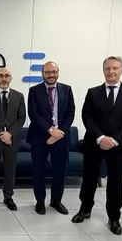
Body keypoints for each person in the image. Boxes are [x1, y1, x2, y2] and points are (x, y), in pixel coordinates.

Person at [73, 56, 122, 235]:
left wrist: (115, 139)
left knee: (116, 182)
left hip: (119, 145)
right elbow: (87, 117)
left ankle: (114, 217)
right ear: (103, 71)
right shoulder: (93, 92)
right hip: (94, 143)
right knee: (89, 179)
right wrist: (101, 137)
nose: (111, 72)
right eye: (108, 68)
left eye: (115, 68)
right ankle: (85, 209)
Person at [27, 62, 76, 215]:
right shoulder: (34, 91)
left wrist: (59, 132)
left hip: (61, 137)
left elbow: (70, 112)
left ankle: (56, 201)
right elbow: (33, 114)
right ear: (42, 73)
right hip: (39, 137)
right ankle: (40, 201)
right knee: (38, 171)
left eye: (53, 71)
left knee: (60, 171)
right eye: (47, 72)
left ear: (58, 72)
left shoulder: (66, 90)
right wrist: (50, 130)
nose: (51, 75)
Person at [0, 67, 26, 211]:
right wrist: (1, 134)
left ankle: (8, 197)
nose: (4, 78)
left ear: (10, 79)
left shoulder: (19, 96)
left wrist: (10, 134)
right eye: (0, 75)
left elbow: (21, 118)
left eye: (7, 75)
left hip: (12, 140)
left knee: (10, 169)